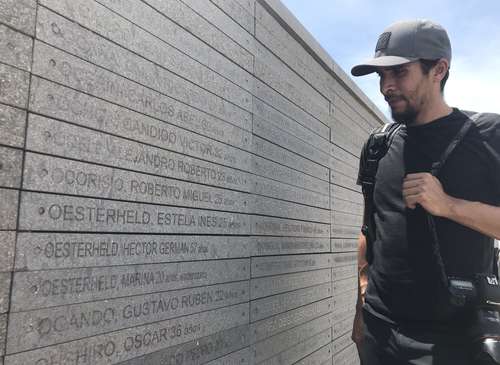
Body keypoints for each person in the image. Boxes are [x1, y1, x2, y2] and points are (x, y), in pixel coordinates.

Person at [349, 19, 500, 364]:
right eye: (381, 77)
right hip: (380, 333)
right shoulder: (378, 145)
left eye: (399, 73)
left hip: (456, 342)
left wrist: (449, 206)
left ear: (439, 69)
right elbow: (368, 229)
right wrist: (360, 307)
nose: (387, 86)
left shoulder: (487, 136)